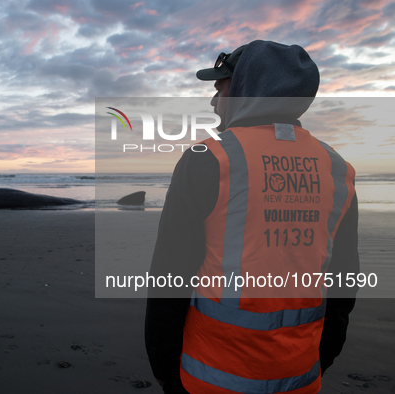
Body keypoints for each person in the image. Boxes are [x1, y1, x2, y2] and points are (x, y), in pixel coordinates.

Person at [145, 40, 359, 394]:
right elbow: (343, 283)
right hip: (301, 378)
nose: (214, 101)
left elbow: (170, 276)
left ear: (247, 87)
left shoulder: (208, 159)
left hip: (208, 380)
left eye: (220, 88)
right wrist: (321, 359)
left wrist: (166, 371)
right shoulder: (338, 169)